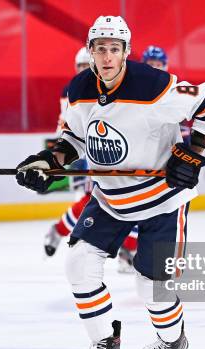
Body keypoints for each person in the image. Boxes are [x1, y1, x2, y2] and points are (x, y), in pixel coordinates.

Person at [16, 15, 205, 349]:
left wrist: (194, 153)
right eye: (101, 48)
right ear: (91, 51)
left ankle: (173, 340)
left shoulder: (153, 84)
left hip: (162, 201)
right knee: (79, 263)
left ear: (126, 52)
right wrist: (46, 163)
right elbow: (73, 141)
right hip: (111, 198)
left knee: (151, 288)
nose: (108, 56)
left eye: (115, 49)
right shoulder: (79, 88)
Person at [45, 47, 139, 275]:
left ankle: (128, 250)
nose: (84, 70)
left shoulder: (114, 84)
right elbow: (71, 127)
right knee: (94, 200)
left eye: (87, 65)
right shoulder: (74, 89)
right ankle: (60, 231)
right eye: (80, 66)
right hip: (86, 154)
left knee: (130, 198)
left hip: (113, 151)